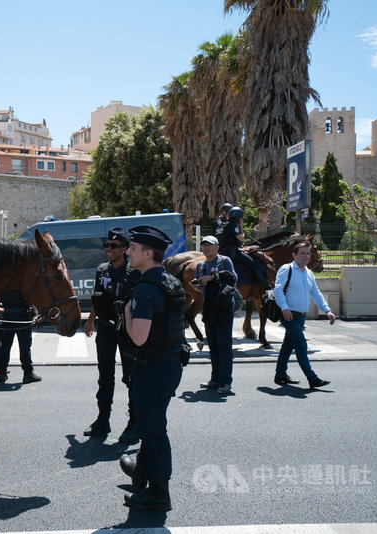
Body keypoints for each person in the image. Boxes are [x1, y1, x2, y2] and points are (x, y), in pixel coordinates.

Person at [117, 225, 185, 512]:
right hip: (169, 365)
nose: (127, 251)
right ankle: (141, 470)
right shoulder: (170, 282)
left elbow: (139, 337)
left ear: (148, 253)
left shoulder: (145, 288)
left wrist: (127, 311)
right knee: (150, 424)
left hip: (152, 368)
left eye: (132, 248)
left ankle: (159, 492)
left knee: (154, 430)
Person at [83, 227, 140, 442]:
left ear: (125, 249)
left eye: (113, 246)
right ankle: (102, 420)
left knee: (131, 378)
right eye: (106, 245)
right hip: (106, 329)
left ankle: (134, 423)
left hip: (127, 331)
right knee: (105, 377)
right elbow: (99, 298)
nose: (108, 249)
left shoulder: (134, 271)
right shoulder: (102, 270)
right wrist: (90, 320)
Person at [273, 240, 335, 388]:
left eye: (308, 253)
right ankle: (312, 378)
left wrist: (327, 310)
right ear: (294, 255)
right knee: (301, 344)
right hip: (289, 314)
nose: (306, 256)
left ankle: (280, 375)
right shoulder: (286, 269)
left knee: (288, 346)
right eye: (302, 254)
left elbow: (315, 293)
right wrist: (284, 308)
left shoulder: (308, 273)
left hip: (301, 316)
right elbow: (277, 289)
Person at [192, 235, 237, 394]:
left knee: (224, 345)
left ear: (217, 247)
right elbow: (201, 288)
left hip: (224, 307)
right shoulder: (201, 265)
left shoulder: (224, 261)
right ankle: (215, 378)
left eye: (210, 245)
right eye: (204, 245)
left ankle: (225, 381)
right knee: (213, 345)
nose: (207, 248)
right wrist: (198, 285)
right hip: (209, 307)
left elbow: (233, 279)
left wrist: (211, 278)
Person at [217, 206, 271, 290]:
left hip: (221, 251)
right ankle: (267, 289)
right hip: (233, 252)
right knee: (254, 266)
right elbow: (241, 238)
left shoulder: (222, 225)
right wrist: (241, 227)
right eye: (241, 218)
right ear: (238, 218)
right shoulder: (233, 226)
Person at [0, 289, 41, 384]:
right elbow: (29, 295)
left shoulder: (5, 280)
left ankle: (2, 373)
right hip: (22, 316)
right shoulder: (21, 280)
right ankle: (28, 373)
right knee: (24, 347)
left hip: (7, 315)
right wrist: (35, 310)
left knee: (5, 347)